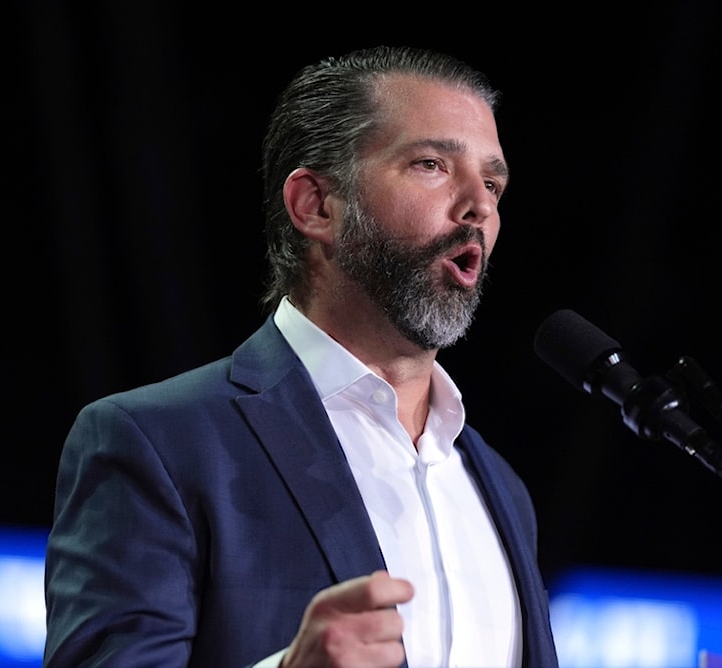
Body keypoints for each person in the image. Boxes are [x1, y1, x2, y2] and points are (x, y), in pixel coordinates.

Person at [43, 45, 559, 668]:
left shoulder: (500, 487)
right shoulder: (157, 443)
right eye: (432, 164)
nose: (480, 206)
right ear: (316, 205)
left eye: (493, 181)